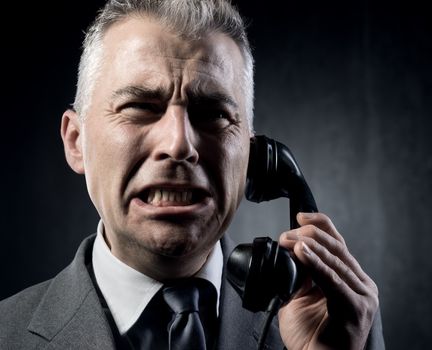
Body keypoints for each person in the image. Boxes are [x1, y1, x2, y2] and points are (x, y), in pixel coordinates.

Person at [0, 0, 385, 349]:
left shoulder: (340, 328)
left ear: (253, 156)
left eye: (213, 114)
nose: (179, 144)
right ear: (76, 142)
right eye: (139, 106)